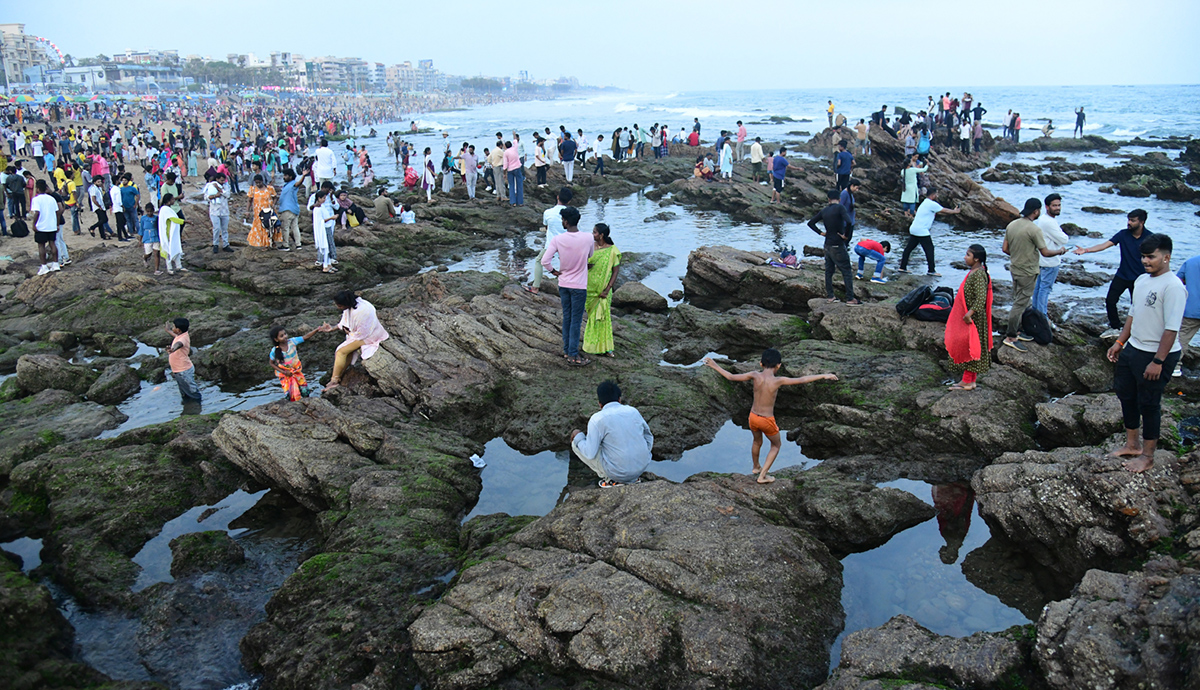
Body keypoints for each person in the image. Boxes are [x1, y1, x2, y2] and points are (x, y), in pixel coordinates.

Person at [1106, 233, 1184, 473]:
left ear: (1166, 257)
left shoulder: (1173, 287)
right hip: (1133, 349)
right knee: (1126, 394)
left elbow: (1171, 329)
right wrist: (1120, 341)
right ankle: (1132, 444)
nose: (1145, 261)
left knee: (1149, 403)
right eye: (1143, 256)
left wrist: (1158, 361)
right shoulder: (1141, 280)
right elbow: (1133, 314)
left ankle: (1148, 456)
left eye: (1151, 257)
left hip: (1157, 354)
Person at [703, 349, 838, 484]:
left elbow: (731, 377)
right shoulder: (778, 380)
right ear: (778, 365)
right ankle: (762, 476)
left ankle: (755, 467)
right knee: (776, 445)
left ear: (761, 363)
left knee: (757, 442)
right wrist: (824, 375)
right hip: (766, 420)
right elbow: (802, 379)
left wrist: (714, 365)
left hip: (753, 417)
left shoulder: (755, 375)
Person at [1002, 198, 1068, 352]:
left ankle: (1021, 329)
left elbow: (1005, 248)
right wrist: (1061, 251)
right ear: (1036, 211)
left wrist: (1018, 255)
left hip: (1015, 269)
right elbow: (1045, 252)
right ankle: (1011, 336)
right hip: (1028, 271)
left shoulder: (1012, 225)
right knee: (1020, 304)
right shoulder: (1034, 229)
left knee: (1021, 301)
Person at [1074, 210, 1151, 338]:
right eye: (1128, 220)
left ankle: (1138, 331)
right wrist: (1086, 250)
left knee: (1137, 306)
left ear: (1141, 222)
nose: (1129, 223)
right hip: (1122, 275)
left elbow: (1156, 257)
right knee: (1110, 300)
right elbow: (1105, 245)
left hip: (1140, 278)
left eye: (1132, 220)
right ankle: (1115, 327)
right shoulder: (1123, 234)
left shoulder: (1150, 238)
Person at [568, 380, 654, 488]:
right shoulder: (633, 411)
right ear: (619, 399)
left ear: (600, 404)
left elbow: (590, 453)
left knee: (578, 439)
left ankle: (612, 480)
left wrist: (578, 438)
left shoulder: (597, 419)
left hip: (617, 472)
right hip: (642, 466)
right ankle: (633, 476)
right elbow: (648, 436)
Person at [541, 206, 593, 366]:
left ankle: (567, 350)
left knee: (567, 317)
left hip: (563, 283)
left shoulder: (558, 239)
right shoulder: (588, 238)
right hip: (579, 285)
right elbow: (590, 256)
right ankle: (573, 354)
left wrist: (554, 272)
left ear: (565, 221)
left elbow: (544, 261)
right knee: (576, 320)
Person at [945, 245, 994, 390]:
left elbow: (981, 298)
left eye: (968, 255)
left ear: (976, 258)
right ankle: (970, 381)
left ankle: (966, 381)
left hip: (974, 319)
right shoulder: (975, 272)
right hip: (973, 317)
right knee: (972, 347)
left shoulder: (978, 275)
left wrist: (969, 314)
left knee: (970, 347)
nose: (965, 257)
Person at [326, 290, 390, 390]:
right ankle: (339, 375)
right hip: (362, 333)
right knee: (347, 351)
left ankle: (334, 381)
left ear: (346, 304)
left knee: (340, 352)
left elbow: (362, 333)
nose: (338, 307)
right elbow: (345, 322)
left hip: (370, 335)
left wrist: (350, 333)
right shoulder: (352, 305)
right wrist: (332, 329)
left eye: (339, 305)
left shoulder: (362, 311)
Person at [809, 189, 860, 305]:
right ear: (840, 199)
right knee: (846, 270)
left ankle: (830, 296)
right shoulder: (841, 208)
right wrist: (845, 235)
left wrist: (821, 233)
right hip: (838, 243)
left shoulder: (824, 210)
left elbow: (811, 223)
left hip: (827, 244)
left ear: (828, 199)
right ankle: (850, 298)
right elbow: (849, 222)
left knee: (829, 271)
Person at [898, 188, 959, 276]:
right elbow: (944, 210)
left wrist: (953, 212)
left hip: (914, 228)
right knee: (929, 249)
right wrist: (955, 211)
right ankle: (931, 270)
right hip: (921, 230)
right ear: (933, 195)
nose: (937, 196)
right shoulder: (931, 204)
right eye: (936, 194)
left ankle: (902, 267)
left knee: (908, 249)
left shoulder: (925, 203)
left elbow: (941, 212)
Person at [583, 223, 621, 358]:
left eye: (594, 232)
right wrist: (585, 265)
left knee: (604, 318)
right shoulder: (590, 247)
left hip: (604, 290)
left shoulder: (612, 251)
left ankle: (607, 348)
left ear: (601, 235)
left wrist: (608, 288)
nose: (592, 235)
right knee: (592, 317)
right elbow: (582, 263)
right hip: (589, 289)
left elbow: (615, 271)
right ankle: (591, 345)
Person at [527, 186, 573, 294]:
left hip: (551, 244)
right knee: (566, 265)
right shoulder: (571, 213)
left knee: (539, 261)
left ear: (557, 197)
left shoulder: (548, 212)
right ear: (569, 201)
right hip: (566, 244)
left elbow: (546, 227)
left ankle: (535, 287)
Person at [1033, 193, 1070, 315]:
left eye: (1059, 205)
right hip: (1050, 262)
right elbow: (1064, 239)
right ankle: (1042, 317)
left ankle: (1036, 314)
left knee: (1038, 289)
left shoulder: (1044, 219)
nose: (1058, 208)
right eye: (1054, 205)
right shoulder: (1049, 222)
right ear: (1047, 207)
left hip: (1042, 260)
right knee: (1044, 290)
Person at [268, 324, 326, 401]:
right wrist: (284, 372)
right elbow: (271, 363)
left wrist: (317, 329)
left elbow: (306, 337)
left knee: (305, 391)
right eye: (281, 336)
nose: (285, 336)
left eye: (285, 334)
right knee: (290, 395)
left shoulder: (292, 342)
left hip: (297, 371)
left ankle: (308, 403)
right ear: (276, 339)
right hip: (286, 375)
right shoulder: (274, 351)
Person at [1174, 252, 1200, 377]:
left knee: (1182, 337)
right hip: (1192, 309)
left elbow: (1177, 281)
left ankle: (1175, 366)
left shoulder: (1191, 262)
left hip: (1191, 308)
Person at [165, 317, 201, 404]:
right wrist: (168, 330)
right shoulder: (182, 335)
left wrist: (172, 350)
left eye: (174, 327)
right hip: (179, 370)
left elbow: (179, 344)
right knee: (184, 389)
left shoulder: (182, 340)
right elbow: (177, 337)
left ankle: (197, 404)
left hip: (183, 370)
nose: (173, 328)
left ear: (178, 330)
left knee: (191, 390)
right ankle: (188, 404)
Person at [30, 179, 61, 275]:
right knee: (52, 244)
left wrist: (34, 224)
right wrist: (57, 224)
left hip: (41, 226)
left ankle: (44, 266)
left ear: (37, 189)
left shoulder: (36, 199)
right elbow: (57, 212)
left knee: (41, 245)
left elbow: (37, 213)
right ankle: (56, 263)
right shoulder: (51, 198)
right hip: (51, 225)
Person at [204, 171, 233, 253]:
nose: (223, 182)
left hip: (224, 211)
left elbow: (227, 195)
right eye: (221, 180)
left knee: (225, 229)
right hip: (214, 211)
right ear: (217, 179)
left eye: (224, 180)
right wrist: (214, 196)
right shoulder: (210, 186)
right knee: (216, 228)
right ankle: (215, 244)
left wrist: (219, 189)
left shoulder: (226, 186)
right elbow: (206, 197)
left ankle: (225, 245)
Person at [245, 174, 276, 247]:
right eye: (256, 183)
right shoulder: (252, 189)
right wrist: (247, 211)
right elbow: (249, 201)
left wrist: (273, 204)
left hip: (269, 211)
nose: (258, 184)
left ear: (263, 181)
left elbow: (275, 197)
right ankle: (264, 243)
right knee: (261, 228)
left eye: (259, 182)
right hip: (258, 212)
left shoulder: (269, 188)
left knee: (270, 226)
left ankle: (271, 242)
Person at [158, 193, 186, 275]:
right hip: (168, 233)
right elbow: (173, 219)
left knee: (175, 246)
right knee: (168, 250)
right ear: (168, 201)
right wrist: (184, 221)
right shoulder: (164, 209)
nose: (174, 200)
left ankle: (179, 266)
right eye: (172, 199)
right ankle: (169, 268)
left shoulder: (168, 209)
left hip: (172, 233)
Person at [311, 189, 335, 274]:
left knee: (328, 247)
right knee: (325, 247)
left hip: (327, 227)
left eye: (325, 198)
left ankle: (328, 264)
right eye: (323, 198)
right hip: (323, 229)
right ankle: (325, 266)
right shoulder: (317, 209)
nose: (324, 200)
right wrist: (331, 218)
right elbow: (320, 220)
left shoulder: (322, 206)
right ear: (319, 198)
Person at [278, 168, 302, 251]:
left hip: (287, 209)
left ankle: (285, 245)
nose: (284, 177)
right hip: (294, 209)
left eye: (285, 175)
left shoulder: (293, 184)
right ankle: (298, 244)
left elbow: (298, 183)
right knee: (295, 227)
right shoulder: (287, 185)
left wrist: (304, 176)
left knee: (285, 227)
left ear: (290, 176)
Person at [139, 202, 162, 275]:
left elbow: (159, 227)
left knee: (157, 253)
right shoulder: (143, 218)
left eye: (151, 211)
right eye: (148, 211)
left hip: (155, 236)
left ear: (153, 210)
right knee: (148, 253)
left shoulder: (156, 218)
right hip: (147, 236)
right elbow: (141, 229)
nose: (149, 213)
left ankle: (156, 270)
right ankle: (145, 258)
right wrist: (140, 240)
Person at [504, 140, 524, 206]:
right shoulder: (515, 148)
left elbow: (505, 164)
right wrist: (514, 135)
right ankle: (520, 202)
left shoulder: (506, 152)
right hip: (517, 168)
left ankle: (513, 202)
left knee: (511, 185)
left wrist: (504, 173)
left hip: (510, 170)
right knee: (519, 185)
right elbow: (515, 141)